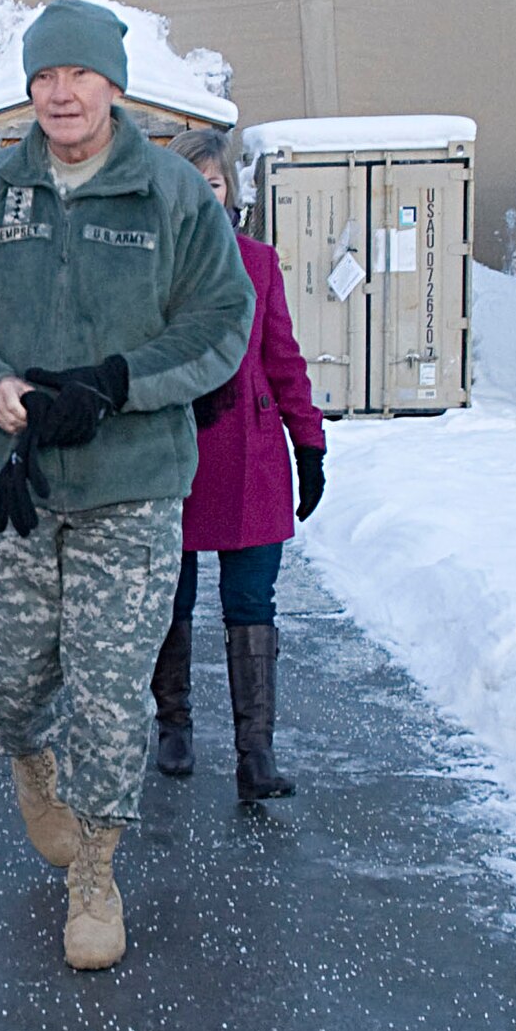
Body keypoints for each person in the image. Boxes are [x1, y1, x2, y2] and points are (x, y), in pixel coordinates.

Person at [0, 0, 253, 971]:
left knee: (108, 685)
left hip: (130, 482)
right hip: (11, 477)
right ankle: (27, 757)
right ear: (29, 88)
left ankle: (94, 868)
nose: (60, 91)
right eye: (45, 75)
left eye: (79, 74)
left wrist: (118, 382)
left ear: (113, 84)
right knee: (10, 676)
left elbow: (223, 320)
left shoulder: (171, 197)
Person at [150, 128, 326, 801]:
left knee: (251, 604)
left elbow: (282, 359)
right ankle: (175, 727)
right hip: (175, 453)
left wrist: (308, 443)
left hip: (251, 458)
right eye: (190, 183)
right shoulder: (154, 264)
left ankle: (256, 753)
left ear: (231, 191)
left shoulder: (258, 263)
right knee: (172, 597)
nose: (203, 194)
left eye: (214, 182)